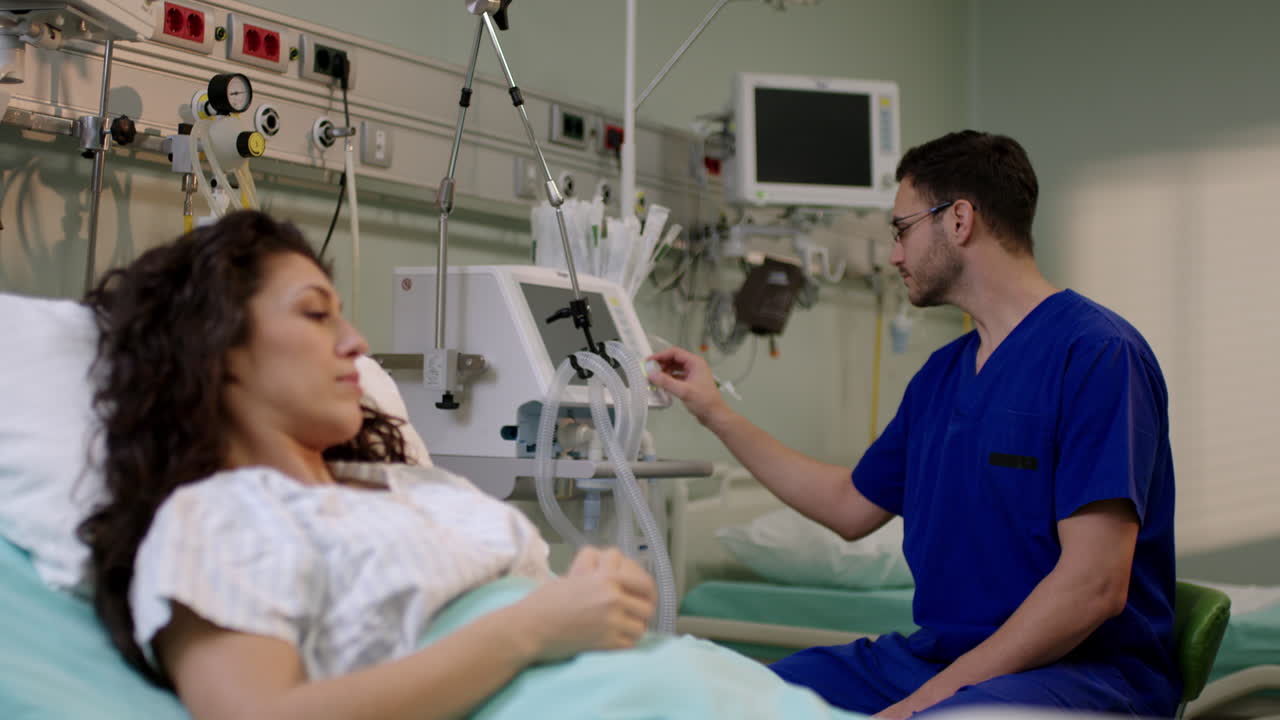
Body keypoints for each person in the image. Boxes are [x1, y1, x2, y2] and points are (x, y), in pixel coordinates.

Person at [648, 131, 1179, 718]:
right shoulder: (940, 377)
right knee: (732, 697)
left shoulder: (1097, 355)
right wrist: (713, 410)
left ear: (959, 220)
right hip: (939, 662)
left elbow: (1094, 586)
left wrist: (923, 703)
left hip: (1081, 674)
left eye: (901, 230)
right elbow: (849, 505)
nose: (894, 255)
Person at [77, 210, 657, 720]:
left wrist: (598, 594)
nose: (356, 341)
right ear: (215, 347)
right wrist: (530, 629)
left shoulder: (416, 486)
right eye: (314, 313)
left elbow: (545, 607)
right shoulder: (217, 518)